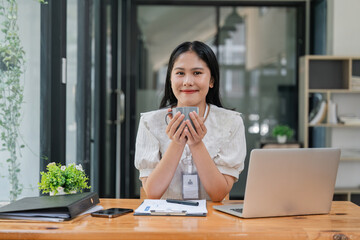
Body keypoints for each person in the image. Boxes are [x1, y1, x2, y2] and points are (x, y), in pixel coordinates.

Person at [134, 41, 246, 202]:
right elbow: (152, 192)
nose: (187, 81)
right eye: (180, 73)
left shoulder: (231, 123)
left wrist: (196, 144)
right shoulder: (149, 123)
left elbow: (218, 194)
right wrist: (177, 143)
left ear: (211, 80)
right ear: (170, 79)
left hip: (212, 222)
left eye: (197, 73)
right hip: (164, 221)